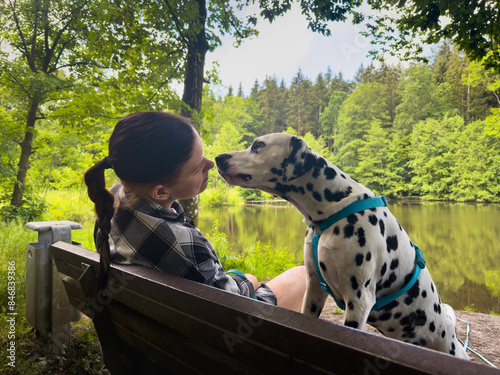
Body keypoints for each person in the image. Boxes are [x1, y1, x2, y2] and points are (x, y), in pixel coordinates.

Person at [84, 111, 306, 312]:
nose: (210, 164)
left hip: (154, 333)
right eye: (198, 166)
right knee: (301, 276)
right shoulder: (184, 245)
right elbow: (235, 301)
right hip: (219, 340)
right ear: (161, 192)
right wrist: (248, 280)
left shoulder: (112, 200)